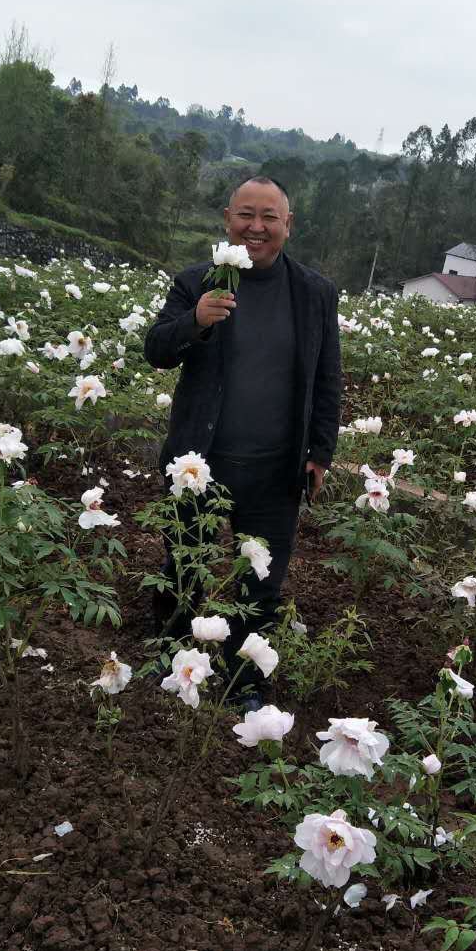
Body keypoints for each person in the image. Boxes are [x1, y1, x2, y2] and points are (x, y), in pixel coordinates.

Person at [143, 176, 341, 709]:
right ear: (227, 219)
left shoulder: (314, 294)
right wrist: (196, 321)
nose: (256, 228)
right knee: (185, 564)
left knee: (262, 584)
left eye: (268, 218)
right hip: (198, 464)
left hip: (276, 470)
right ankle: (178, 659)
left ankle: (245, 683)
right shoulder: (196, 283)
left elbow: (327, 379)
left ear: (288, 225)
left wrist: (320, 453)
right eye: (245, 216)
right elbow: (157, 350)